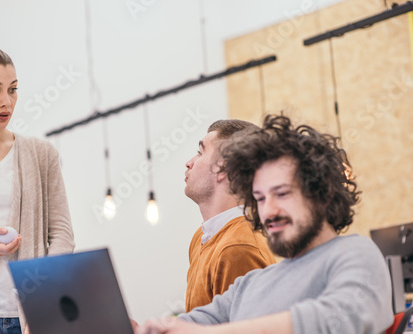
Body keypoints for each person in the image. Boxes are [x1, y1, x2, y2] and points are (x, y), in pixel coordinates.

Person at [137, 115, 393, 334]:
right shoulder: (249, 285)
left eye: (281, 193)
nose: (267, 211)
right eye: (259, 198)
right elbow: (191, 323)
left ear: (321, 194)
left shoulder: (356, 255)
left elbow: (334, 320)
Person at [0, 45, 75, 334]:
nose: (6, 101)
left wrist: (44, 301)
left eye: (13, 89)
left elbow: (62, 235)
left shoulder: (39, 153)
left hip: (30, 316)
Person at [183, 119, 275, 312]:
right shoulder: (200, 237)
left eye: (200, 152)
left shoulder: (239, 248)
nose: (189, 162)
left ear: (223, 168)